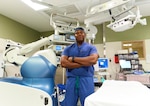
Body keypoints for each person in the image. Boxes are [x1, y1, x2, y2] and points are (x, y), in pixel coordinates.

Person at [60, 27, 99, 106]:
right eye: (77, 33)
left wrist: (73, 59)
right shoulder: (68, 49)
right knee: (69, 103)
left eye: (81, 32)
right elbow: (63, 63)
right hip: (71, 80)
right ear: (74, 35)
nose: (79, 34)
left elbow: (93, 60)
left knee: (87, 103)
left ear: (85, 35)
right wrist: (85, 63)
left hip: (86, 80)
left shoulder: (91, 47)